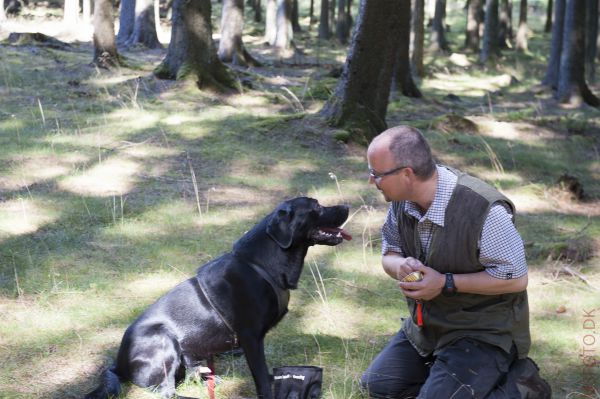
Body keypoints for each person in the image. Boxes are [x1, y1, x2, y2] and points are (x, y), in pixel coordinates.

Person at [360, 126, 551, 398]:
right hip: (428, 328)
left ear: (407, 174)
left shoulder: (483, 210)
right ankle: (446, 378)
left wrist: (445, 282)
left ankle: (523, 387)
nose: (372, 181)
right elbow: (389, 255)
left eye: (376, 175)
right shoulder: (402, 201)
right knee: (378, 385)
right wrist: (400, 266)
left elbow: (517, 278)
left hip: (484, 333)